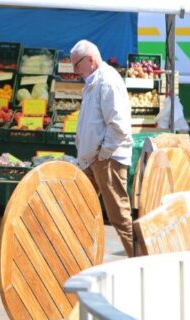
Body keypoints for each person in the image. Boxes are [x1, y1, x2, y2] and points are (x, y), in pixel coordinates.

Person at [70, 39, 134, 257]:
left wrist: (103, 155)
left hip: (107, 160)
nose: (75, 70)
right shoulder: (95, 81)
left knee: (119, 216)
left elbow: (119, 125)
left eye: (76, 65)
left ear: (90, 60)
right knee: (81, 208)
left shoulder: (107, 81)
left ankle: (142, 261)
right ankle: (83, 259)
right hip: (94, 160)